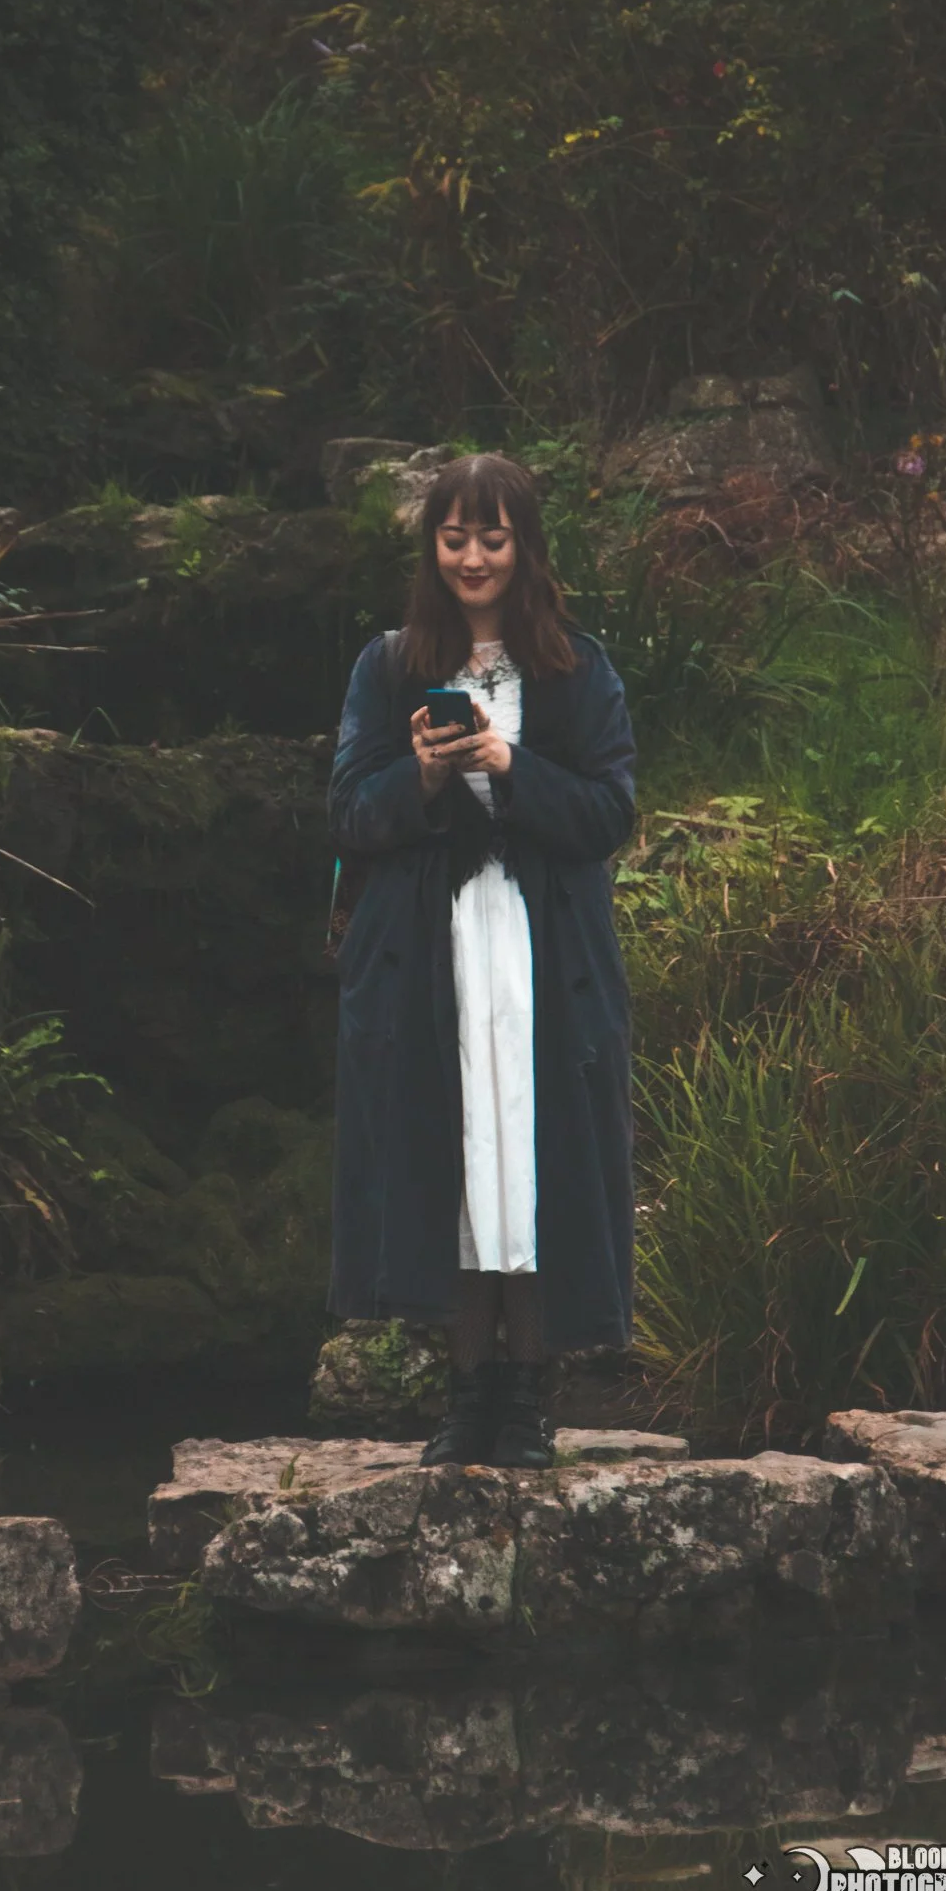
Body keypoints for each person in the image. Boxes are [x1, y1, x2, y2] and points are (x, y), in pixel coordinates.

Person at [327, 452, 637, 1469]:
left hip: (546, 953)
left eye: (491, 537)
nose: (471, 556)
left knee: (533, 1158)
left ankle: (530, 1401)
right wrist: (419, 773)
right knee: (457, 1161)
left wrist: (511, 762)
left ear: (524, 546)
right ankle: (467, 1398)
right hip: (433, 952)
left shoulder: (577, 668)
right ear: (432, 547)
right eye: (454, 537)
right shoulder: (388, 665)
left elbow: (608, 813)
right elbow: (348, 814)